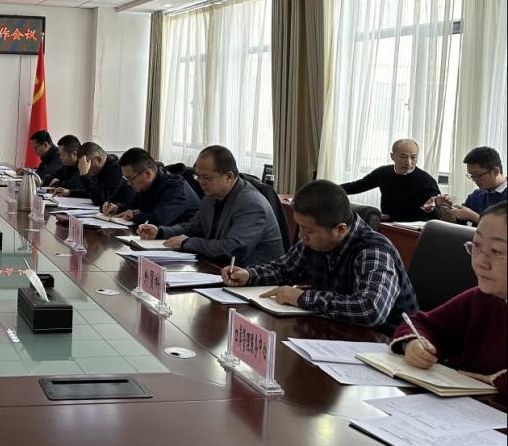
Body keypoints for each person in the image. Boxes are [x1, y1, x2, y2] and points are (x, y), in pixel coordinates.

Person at [223, 179, 418, 331]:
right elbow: (284, 269)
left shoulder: (374, 251)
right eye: (300, 227)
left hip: (388, 347)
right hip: (334, 334)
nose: (301, 236)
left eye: (307, 230)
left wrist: (302, 298)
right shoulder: (313, 239)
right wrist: (249, 275)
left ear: (340, 229)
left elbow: (370, 309)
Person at [389, 200, 506, 394]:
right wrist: (415, 344)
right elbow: (421, 323)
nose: (480, 262)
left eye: (496, 251)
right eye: (476, 246)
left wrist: (493, 381)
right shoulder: (483, 297)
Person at [137, 145, 284, 266]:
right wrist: (160, 232)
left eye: (206, 177)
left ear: (229, 177)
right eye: (197, 176)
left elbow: (230, 249)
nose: (201, 182)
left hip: (255, 281)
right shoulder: (211, 196)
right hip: (219, 269)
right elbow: (193, 228)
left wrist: (187, 243)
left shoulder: (251, 204)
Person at [340, 138, 440, 222]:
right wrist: (333, 190)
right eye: (403, 157)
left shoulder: (427, 181)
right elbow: (358, 186)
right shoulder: (383, 172)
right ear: (392, 156)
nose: (409, 162)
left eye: (413, 157)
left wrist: (430, 210)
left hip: (414, 230)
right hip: (387, 224)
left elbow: (438, 216)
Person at [103, 147, 198, 227]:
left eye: (130, 178)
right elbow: (132, 205)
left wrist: (134, 215)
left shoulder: (175, 187)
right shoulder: (147, 184)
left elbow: (158, 220)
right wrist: (117, 207)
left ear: (147, 173)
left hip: (186, 239)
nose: (128, 183)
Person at [424, 146, 506, 226]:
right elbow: (455, 224)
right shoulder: (476, 195)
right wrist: (445, 208)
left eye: (478, 175)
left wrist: (472, 216)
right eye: (471, 176)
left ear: (495, 172)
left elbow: (502, 229)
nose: (474, 180)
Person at [59, 142, 132, 208]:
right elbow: (93, 192)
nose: (85, 166)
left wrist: (84, 175)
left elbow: (100, 201)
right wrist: (70, 192)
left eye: (87, 162)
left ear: (98, 160)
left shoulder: (115, 170)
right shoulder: (99, 169)